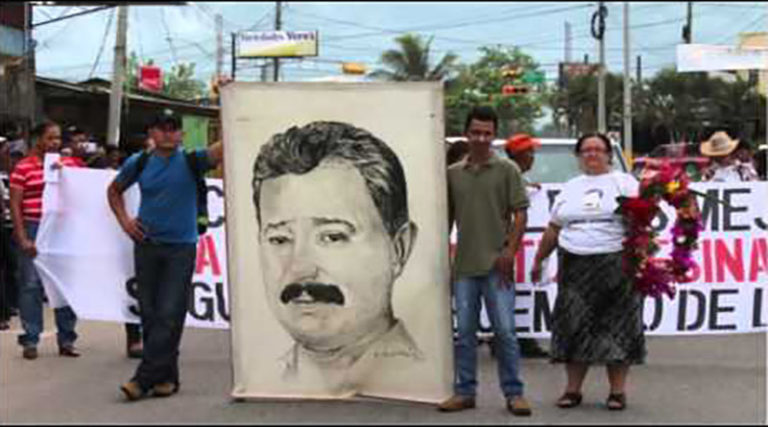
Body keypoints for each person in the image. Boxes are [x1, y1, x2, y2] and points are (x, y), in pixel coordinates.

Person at [250, 121, 424, 396]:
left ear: (399, 248)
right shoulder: (264, 378)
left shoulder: (423, 378)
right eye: (280, 239)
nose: (300, 268)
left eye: (332, 237)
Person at [107, 111, 223, 401]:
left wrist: (228, 101)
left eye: (174, 129)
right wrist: (126, 222)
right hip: (147, 247)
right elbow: (114, 190)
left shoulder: (191, 161)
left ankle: (142, 379)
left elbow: (223, 147)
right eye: (163, 129)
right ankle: (167, 378)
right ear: (152, 133)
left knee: (170, 313)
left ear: (181, 135)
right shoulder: (140, 162)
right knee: (151, 315)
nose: (169, 134)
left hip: (180, 249)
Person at [530, 132, 645, 411]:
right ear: (579, 156)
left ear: (609, 155)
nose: (592, 154)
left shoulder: (625, 183)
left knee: (616, 326)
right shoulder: (570, 187)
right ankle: (572, 390)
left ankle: (617, 392)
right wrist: (538, 259)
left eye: (598, 150)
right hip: (574, 264)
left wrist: (641, 256)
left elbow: (643, 221)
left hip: (616, 263)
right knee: (574, 325)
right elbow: (554, 228)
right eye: (586, 150)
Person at [439, 106, 532, 416]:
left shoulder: (508, 170)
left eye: (487, 133)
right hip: (464, 266)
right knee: (464, 334)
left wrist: (509, 252)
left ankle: (514, 393)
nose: (481, 138)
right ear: (466, 133)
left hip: (498, 267)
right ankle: (465, 392)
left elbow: (521, 213)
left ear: (494, 135)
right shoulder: (452, 175)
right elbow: (445, 219)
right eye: (476, 132)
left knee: (505, 332)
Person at [9, 121, 85, 360]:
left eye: (58, 138)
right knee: (31, 285)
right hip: (34, 227)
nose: (55, 143)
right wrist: (22, 236)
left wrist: (69, 174)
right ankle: (31, 339)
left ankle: (67, 339)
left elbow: (84, 191)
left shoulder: (69, 164)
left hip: (62, 230)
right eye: (50, 138)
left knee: (63, 285)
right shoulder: (23, 168)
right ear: (38, 139)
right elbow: (15, 204)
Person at [504, 133, 549, 359]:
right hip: (509, 245)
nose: (533, 157)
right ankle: (517, 338)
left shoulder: (514, 176)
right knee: (511, 290)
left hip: (514, 244)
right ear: (520, 155)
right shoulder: (512, 176)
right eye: (530, 152)